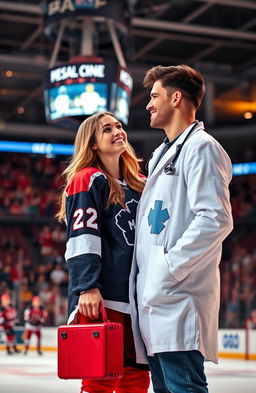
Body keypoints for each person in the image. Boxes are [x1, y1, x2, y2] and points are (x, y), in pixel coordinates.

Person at [129, 65, 234, 393]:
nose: (148, 104)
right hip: (157, 301)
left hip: (177, 298)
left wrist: (168, 268)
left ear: (176, 98)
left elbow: (215, 218)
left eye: (154, 96)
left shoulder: (202, 147)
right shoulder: (163, 152)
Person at [56, 111, 150, 393]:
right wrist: (87, 287)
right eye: (107, 129)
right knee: (99, 379)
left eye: (119, 126)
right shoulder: (87, 179)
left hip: (137, 298)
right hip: (102, 297)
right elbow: (82, 237)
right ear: (93, 143)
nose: (117, 131)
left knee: (135, 379)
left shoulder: (141, 184)